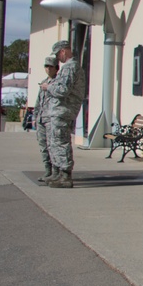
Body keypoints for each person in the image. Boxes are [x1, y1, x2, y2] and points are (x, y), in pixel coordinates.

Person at [41, 40, 87, 188]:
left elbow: (63, 90)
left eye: (57, 54)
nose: (57, 58)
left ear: (63, 51)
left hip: (63, 110)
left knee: (60, 142)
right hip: (59, 111)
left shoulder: (70, 67)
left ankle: (65, 175)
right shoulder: (68, 67)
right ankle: (59, 173)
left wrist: (48, 87)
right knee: (55, 142)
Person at [32, 55, 60, 182]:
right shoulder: (44, 83)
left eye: (51, 66)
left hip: (51, 120)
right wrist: (34, 117)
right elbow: (38, 102)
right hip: (41, 119)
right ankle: (47, 171)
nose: (48, 69)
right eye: (46, 66)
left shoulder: (57, 83)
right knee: (43, 147)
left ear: (56, 68)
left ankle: (55, 172)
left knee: (52, 146)